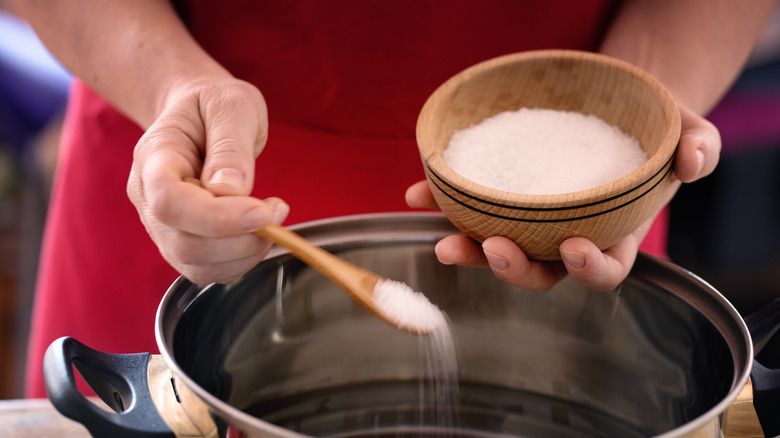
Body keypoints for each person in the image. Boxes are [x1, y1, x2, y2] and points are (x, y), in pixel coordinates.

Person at [14, 0, 775, 398]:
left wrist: (642, 104)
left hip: (581, 207)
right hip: (194, 148)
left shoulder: (594, 171)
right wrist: (173, 88)